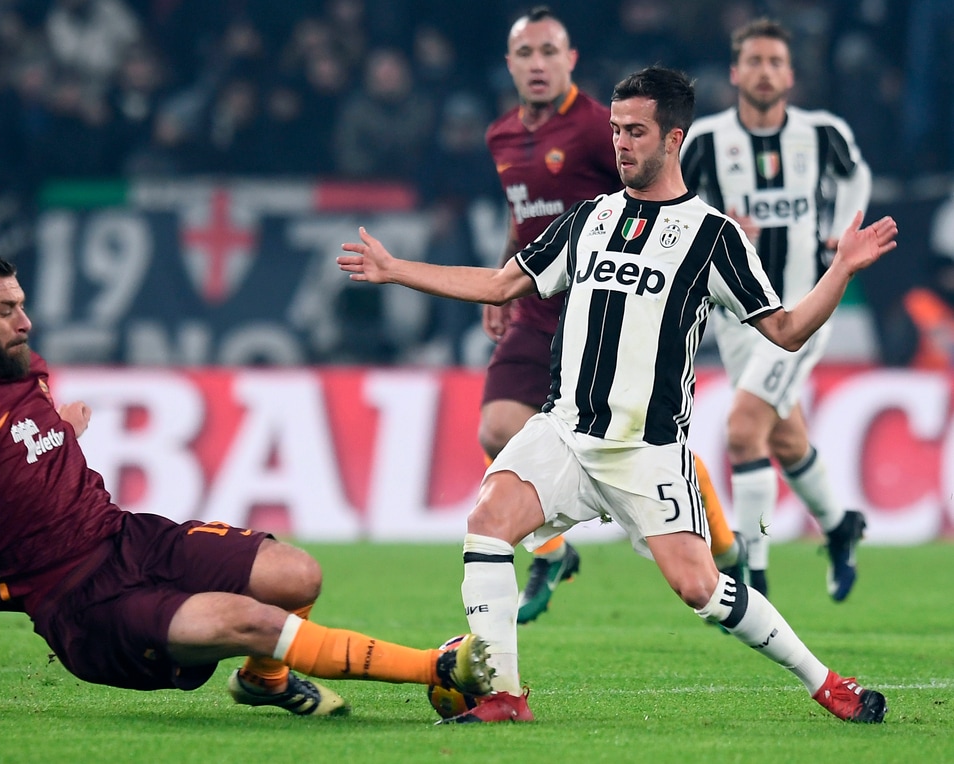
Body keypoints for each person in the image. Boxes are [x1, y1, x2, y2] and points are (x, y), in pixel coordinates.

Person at [338, 65, 895, 725]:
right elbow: (500, 285)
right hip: (566, 432)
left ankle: (826, 682)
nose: (621, 144)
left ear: (674, 139)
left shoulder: (714, 236)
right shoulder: (590, 218)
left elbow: (787, 330)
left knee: (700, 587)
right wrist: (396, 269)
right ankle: (505, 696)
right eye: (615, 129)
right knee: (487, 523)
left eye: (636, 131)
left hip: (646, 451)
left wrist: (840, 269)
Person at [0, 253, 493, 718]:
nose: (24, 322)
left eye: (22, 305)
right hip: (79, 600)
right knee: (252, 620)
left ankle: (265, 681)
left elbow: (21, 450)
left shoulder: (26, 366)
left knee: (296, 575)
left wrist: (63, 428)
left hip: (128, 538)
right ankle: (438, 668)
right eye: (5, 311)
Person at [481, 6, 741, 624]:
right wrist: (502, 283)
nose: (538, 64)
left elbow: (665, 180)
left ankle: (727, 546)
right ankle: (552, 553)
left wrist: (715, 226)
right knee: (495, 429)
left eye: (549, 51)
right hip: (535, 301)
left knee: (638, 434)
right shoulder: (500, 136)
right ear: (510, 64)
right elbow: (521, 213)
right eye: (526, 53)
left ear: (570, 60)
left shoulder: (602, 126)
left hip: (605, 303)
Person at [680, 18, 873, 601]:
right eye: (754, 61)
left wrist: (843, 231)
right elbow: (674, 205)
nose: (764, 71)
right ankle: (840, 526)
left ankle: (753, 572)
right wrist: (716, 225)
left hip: (804, 310)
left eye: (775, 62)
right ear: (735, 73)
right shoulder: (705, 141)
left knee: (743, 428)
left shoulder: (822, 134)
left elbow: (856, 176)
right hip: (736, 314)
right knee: (783, 437)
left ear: (790, 75)